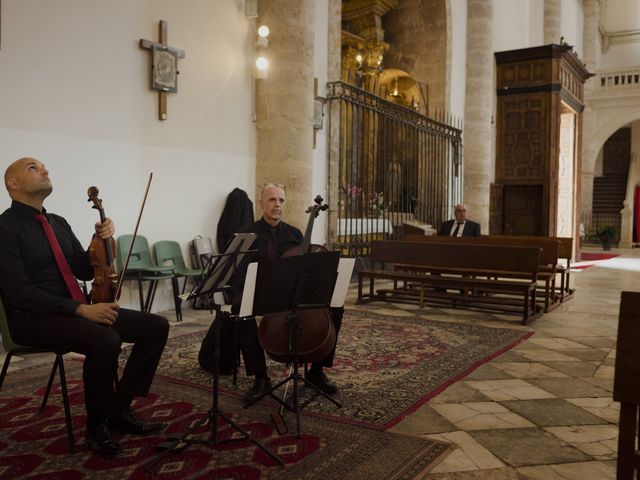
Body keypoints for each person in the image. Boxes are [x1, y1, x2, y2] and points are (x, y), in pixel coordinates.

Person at [0, 157, 170, 457]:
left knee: (156, 326)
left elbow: (84, 270)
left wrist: (99, 239)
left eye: (43, 166)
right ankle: (97, 424)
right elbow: (18, 293)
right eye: (32, 168)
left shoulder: (59, 223)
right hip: (32, 319)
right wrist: (79, 310)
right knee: (106, 340)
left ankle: (118, 408)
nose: (44, 170)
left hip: (76, 312)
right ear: (13, 184)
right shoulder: (5, 227)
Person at [219, 183, 343, 402]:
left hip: (289, 294)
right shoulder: (246, 234)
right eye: (272, 200)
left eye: (281, 200)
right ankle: (260, 377)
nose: (277, 205)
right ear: (261, 204)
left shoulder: (294, 234)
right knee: (241, 311)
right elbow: (237, 274)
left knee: (335, 307)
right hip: (260, 294)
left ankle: (316, 371)